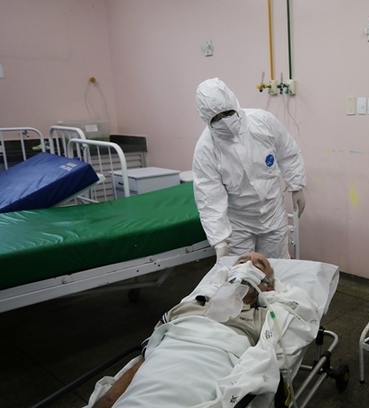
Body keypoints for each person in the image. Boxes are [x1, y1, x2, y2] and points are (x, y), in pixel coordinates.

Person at [91, 252, 317, 408]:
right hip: (164, 362)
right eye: (241, 261)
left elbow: (290, 326)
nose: (247, 265)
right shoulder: (190, 304)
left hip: (208, 372)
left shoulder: (265, 316)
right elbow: (150, 352)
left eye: (258, 265)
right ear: (227, 275)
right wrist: (110, 398)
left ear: (267, 286)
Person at [193, 78, 307, 260]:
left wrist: (296, 185)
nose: (224, 121)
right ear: (207, 119)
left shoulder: (262, 121)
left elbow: (288, 152)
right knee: (242, 271)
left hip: (273, 213)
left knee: (277, 265)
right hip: (239, 223)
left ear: (234, 104)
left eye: (227, 113)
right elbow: (209, 195)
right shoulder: (206, 148)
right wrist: (220, 240)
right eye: (216, 118)